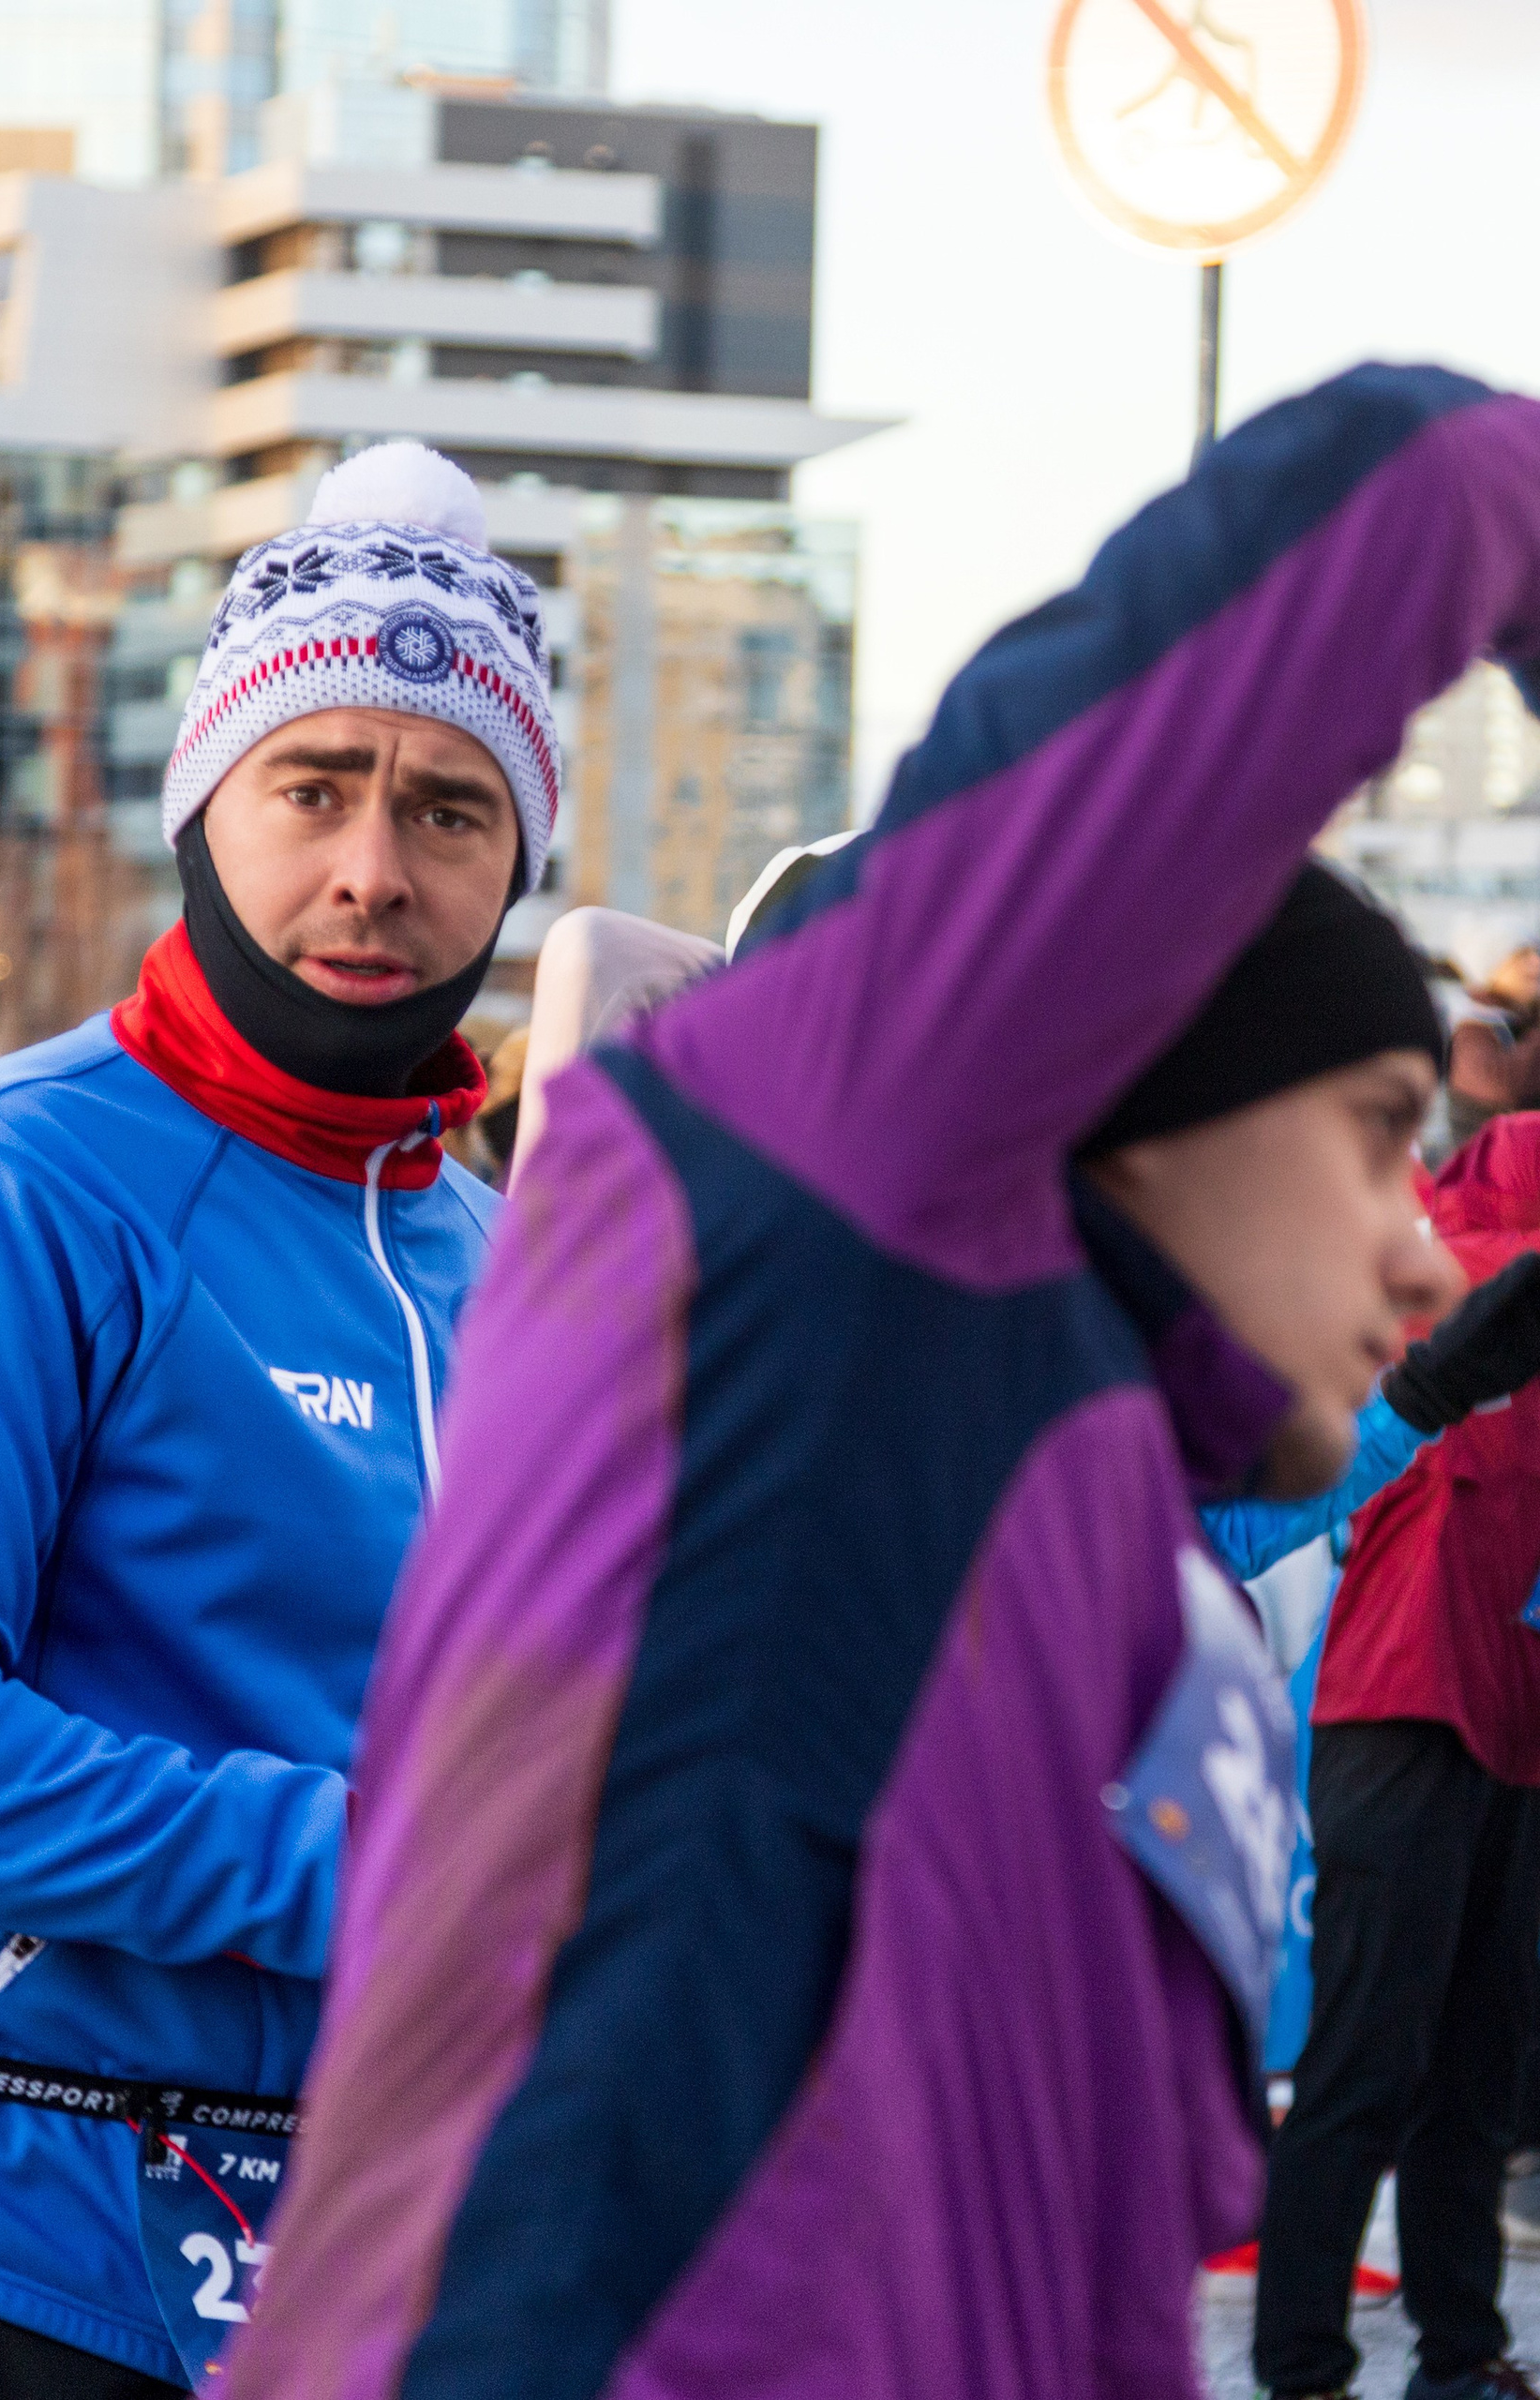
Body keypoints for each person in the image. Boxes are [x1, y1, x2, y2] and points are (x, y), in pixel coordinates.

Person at [216, 361, 1540, 2400]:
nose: (1414, 1233)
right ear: (1115, 1090)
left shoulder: (1098, 1528)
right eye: (1373, 1128)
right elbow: (1406, 471)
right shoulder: (811, 1239)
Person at [0, 442, 549, 2396]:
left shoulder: (512, 1269)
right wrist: (396, 1862)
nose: (372, 867)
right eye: (311, 786)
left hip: (346, 2255)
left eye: (447, 807)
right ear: (200, 802)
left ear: (516, 866)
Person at [1254, 1113, 1540, 2400]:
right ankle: (1311, 2360)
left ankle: (1456, 2352)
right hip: (1411, 1700)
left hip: (1494, 1709)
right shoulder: (1454, 1267)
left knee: (1464, 2066)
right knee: (1382, 2061)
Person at [1444, 941, 1540, 1158]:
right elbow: (1503, 1086)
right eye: (1521, 956)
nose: (1535, 962)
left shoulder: (1521, 1021)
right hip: (1490, 1180)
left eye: (1535, 953)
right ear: (1490, 970)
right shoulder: (1471, 1031)